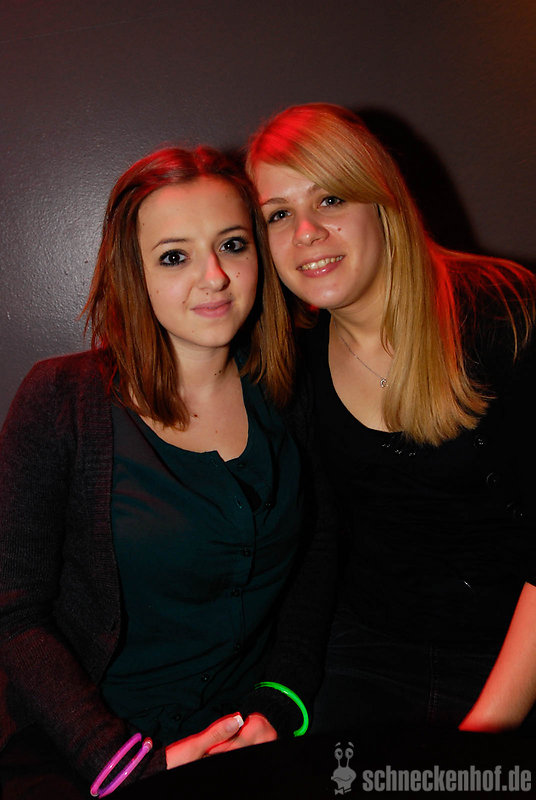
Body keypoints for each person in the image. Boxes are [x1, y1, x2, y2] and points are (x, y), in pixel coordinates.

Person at [0, 145, 335, 797]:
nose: (214, 276)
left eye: (232, 245)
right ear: (136, 273)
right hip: (88, 757)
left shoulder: (292, 393)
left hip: (246, 740)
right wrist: (124, 763)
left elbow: (318, 559)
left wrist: (279, 703)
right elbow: (13, 613)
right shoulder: (60, 400)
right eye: (175, 256)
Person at [247, 102, 536, 737]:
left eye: (329, 200)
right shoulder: (292, 364)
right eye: (278, 214)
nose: (306, 232)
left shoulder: (504, 310)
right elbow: (314, 551)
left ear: (382, 202)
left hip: (518, 654)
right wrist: (276, 702)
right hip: (372, 653)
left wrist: (484, 730)